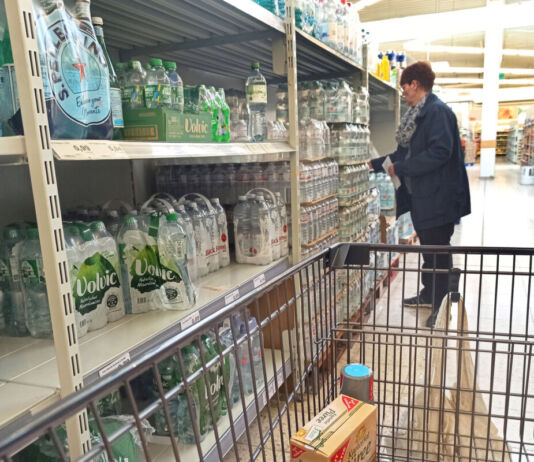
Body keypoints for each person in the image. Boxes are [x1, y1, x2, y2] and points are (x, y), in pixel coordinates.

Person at [370, 61, 471, 328]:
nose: (403, 93)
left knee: (439, 252)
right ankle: (430, 294)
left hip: (440, 198)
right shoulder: (417, 116)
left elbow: (440, 152)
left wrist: (399, 168)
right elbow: (403, 154)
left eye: (404, 87)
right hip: (424, 199)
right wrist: (374, 163)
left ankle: (443, 303)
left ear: (415, 84)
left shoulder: (437, 113)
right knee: (429, 250)